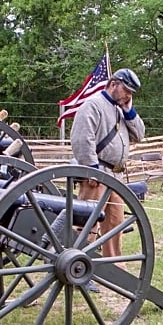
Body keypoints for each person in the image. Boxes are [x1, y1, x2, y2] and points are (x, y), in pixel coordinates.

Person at [70, 68, 146, 258]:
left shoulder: (121, 110)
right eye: (126, 90)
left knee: (114, 224)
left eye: (131, 93)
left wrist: (129, 112)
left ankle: (113, 266)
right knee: (88, 223)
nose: (128, 95)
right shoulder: (93, 105)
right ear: (114, 84)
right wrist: (91, 169)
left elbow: (139, 135)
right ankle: (78, 262)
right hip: (98, 173)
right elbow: (82, 139)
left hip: (116, 176)